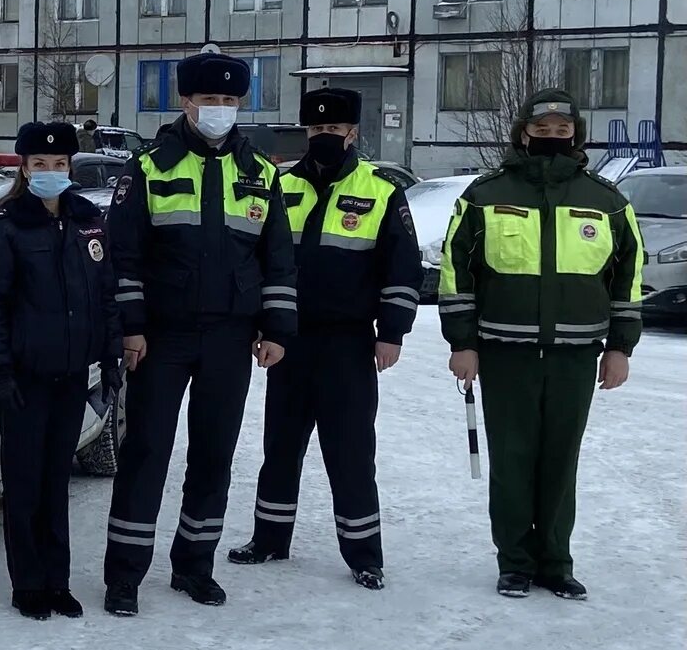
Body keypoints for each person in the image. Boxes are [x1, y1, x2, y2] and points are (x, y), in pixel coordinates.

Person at [102, 51, 298, 616]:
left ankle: (194, 565)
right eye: (209, 100)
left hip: (230, 338)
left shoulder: (260, 173)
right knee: (146, 453)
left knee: (214, 455)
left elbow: (278, 260)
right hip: (161, 338)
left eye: (230, 101)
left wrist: (276, 327)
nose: (220, 110)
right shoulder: (149, 168)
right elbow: (124, 257)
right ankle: (125, 576)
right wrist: (132, 329)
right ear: (186, 102)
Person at [439, 90, 643, 601]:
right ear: (523, 134)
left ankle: (556, 562)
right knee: (512, 461)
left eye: (562, 129)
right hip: (505, 352)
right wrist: (463, 343)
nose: (553, 137)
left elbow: (628, 281)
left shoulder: (607, 201)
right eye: (542, 129)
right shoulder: (485, 196)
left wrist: (621, 348)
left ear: (576, 135)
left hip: (576, 355)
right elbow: (455, 272)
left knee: (560, 461)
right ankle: (515, 563)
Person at [228, 87, 422, 591]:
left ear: (352, 133)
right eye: (316, 131)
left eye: (334, 131)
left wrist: (392, 332)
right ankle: (269, 538)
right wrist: (262, 325)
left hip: (349, 342)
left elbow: (402, 269)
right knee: (280, 446)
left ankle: (364, 555)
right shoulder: (280, 184)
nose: (324, 138)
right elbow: (258, 259)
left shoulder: (380, 189)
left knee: (351, 451)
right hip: (289, 341)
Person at [0, 121, 124, 620]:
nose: (52, 172)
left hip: (72, 374)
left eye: (60, 165)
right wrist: (2, 372)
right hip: (24, 378)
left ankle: (57, 580)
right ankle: (28, 585)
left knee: (58, 482)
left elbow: (105, 296)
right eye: (41, 165)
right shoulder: (5, 226)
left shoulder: (87, 221)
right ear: (24, 167)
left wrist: (113, 356)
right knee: (25, 483)